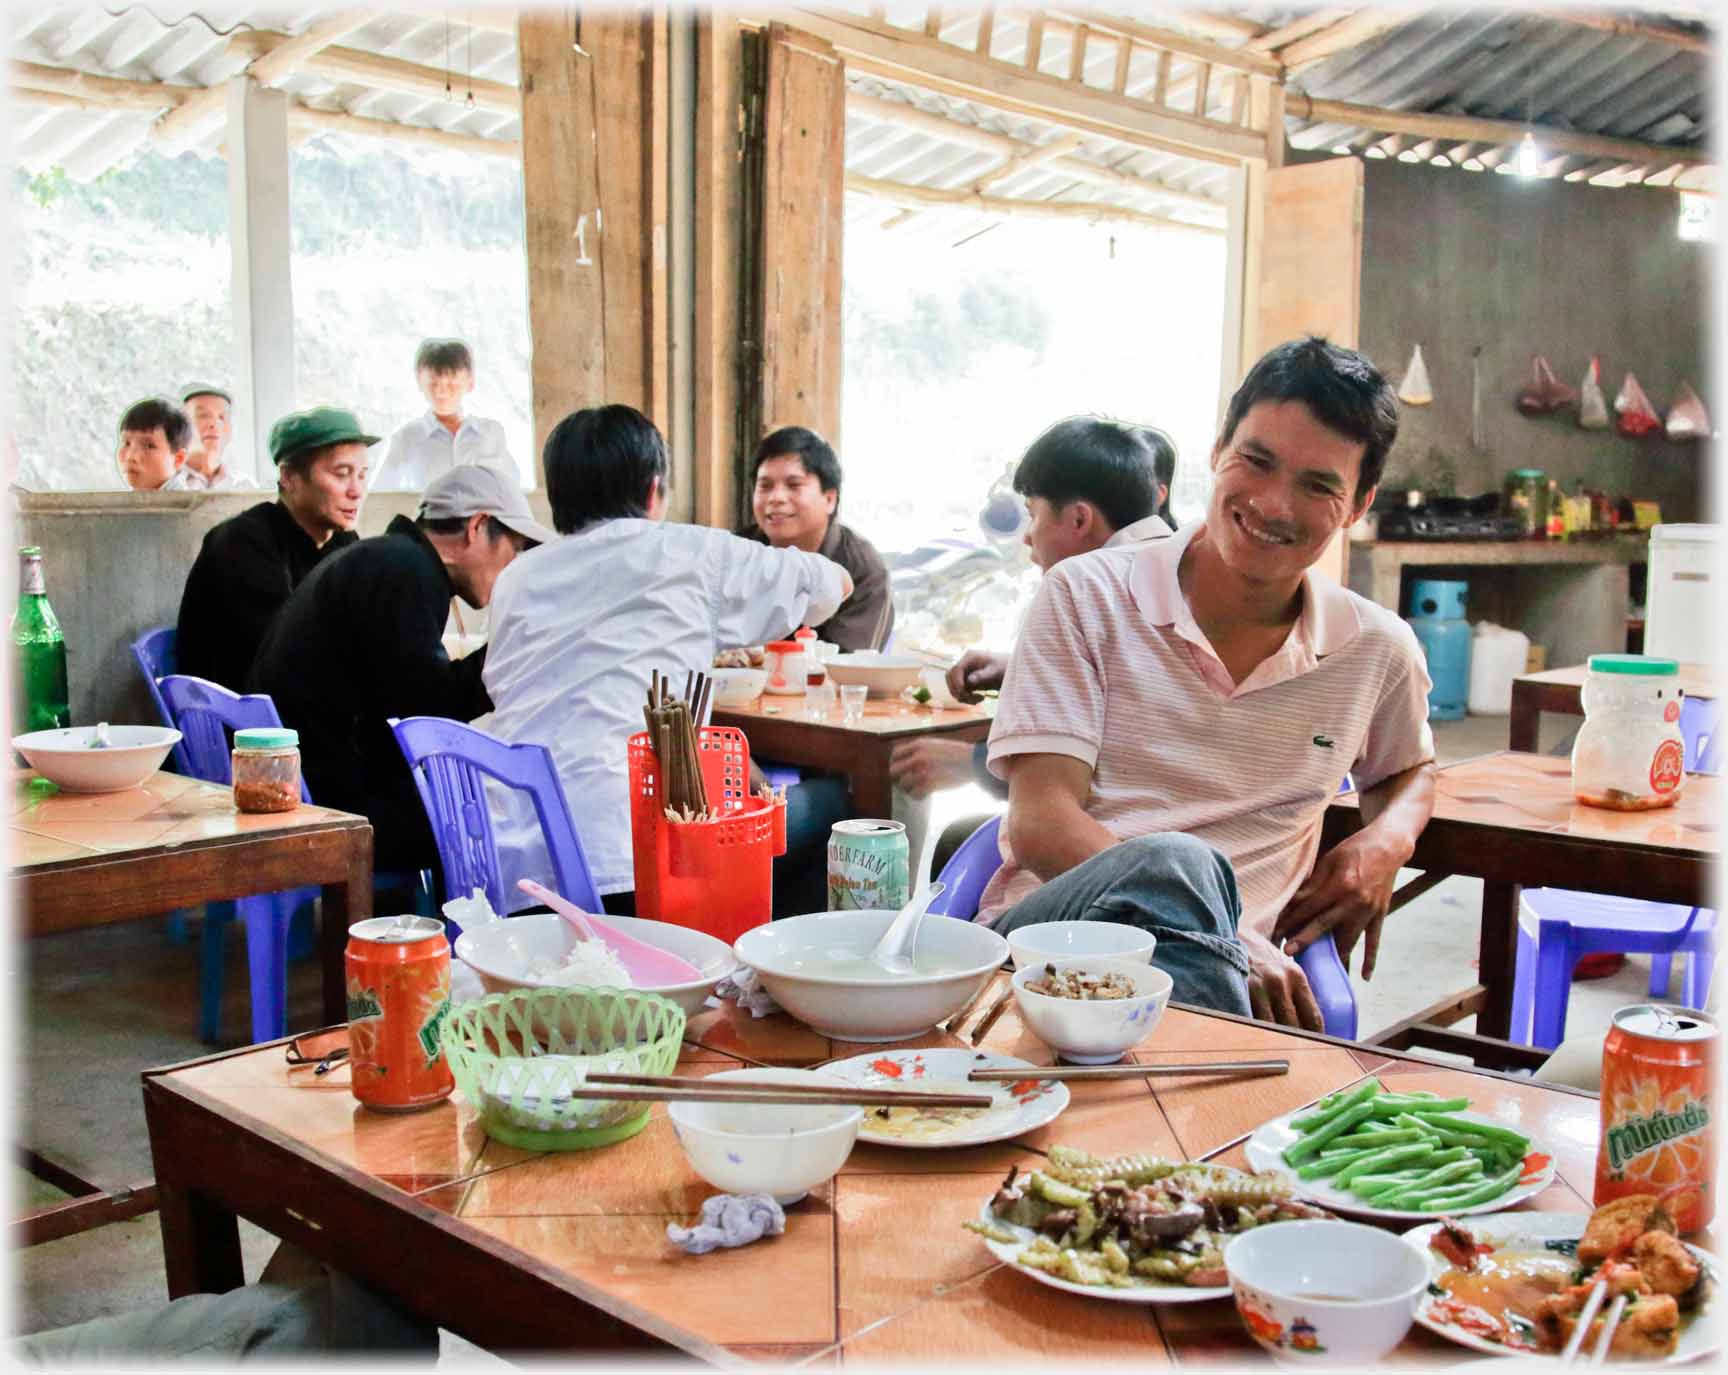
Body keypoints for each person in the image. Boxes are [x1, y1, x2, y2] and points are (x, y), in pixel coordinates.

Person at [980, 337, 1438, 1028]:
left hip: (1225, 971)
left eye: (1319, 486)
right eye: (1256, 460)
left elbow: (1411, 770)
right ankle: (1221, 1112)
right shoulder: (1085, 595)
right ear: (1218, 446)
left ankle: (1183, 1116)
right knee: (1182, 863)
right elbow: (1041, 821)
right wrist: (1222, 929)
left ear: (1358, 505)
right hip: (1051, 944)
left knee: (1189, 898)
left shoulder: (1375, 649)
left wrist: (1387, 840)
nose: (1273, 504)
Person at [481, 405, 851, 913]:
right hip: (638, 868)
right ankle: (752, 975)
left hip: (520, 869)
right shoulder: (691, 551)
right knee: (837, 804)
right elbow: (834, 583)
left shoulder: (516, 578)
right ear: (655, 489)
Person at [250, 462, 549, 873]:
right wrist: (513, 646)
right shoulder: (405, 573)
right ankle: (454, 935)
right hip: (323, 801)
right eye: (515, 549)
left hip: (305, 775)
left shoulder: (389, 558)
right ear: (477, 527)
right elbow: (422, 715)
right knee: (486, 820)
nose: (514, 568)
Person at [888, 417, 1172, 814]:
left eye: (1033, 514)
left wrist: (971, 763)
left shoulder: (1077, 585)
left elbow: (1100, 770)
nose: (1026, 536)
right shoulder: (1174, 563)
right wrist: (1017, 667)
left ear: (1078, 519)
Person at [175, 405, 374, 691]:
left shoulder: (342, 542)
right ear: (289, 477)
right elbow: (286, 658)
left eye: (362, 475)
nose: (356, 491)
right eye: (342, 474)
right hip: (245, 722)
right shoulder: (243, 543)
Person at [739, 425, 892, 651]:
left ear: (830, 499)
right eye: (765, 486)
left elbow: (847, 668)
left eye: (794, 485)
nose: (776, 497)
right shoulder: (739, 551)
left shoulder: (863, 571)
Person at [367, 337, 512, 492]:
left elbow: (512, 490)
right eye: (433, 383)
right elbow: (379, 495)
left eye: (451, 383)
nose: (441, 391)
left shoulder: (491, 433)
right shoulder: (406, 438)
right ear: (419, 382)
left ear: (470, 381)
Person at [179, 382, 257, 490]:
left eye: (221, 417)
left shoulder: (245, 486)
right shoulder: (165, 484)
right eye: (203, 415)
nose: (214, 424)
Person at [115, 396, 201, 492]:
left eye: (149, 446)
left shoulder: (187, 505)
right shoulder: (127, 503)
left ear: (178, 459)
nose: (131, 457)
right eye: (127, 443)